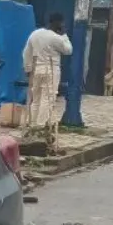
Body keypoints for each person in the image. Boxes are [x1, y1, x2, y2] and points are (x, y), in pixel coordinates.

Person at [22, 13, 74, 153]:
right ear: (57, 23)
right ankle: (41, 126)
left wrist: (27, 68)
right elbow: (68, 50)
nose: (62, 26)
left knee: (35, 98)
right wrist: (64, 35)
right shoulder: (56, 37)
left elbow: (27, 52)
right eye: (61, 23)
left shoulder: (35, 34)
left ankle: (33, 124)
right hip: (51, 69)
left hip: (36, 69)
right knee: (48, 97)